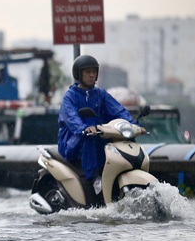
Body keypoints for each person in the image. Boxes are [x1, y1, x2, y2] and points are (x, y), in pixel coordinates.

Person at [57, 55, 144, 194]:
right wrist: (83, 128)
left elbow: (118, 110)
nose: (92, 75)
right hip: (73, 139)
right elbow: (72, 117)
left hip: (97, 133)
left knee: (121, 139)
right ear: (78, 74)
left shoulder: (100, 94)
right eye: (87, 72)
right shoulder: (70, 96)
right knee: (91, 137)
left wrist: (133, 126)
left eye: (94, 72)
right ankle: (93, 179)